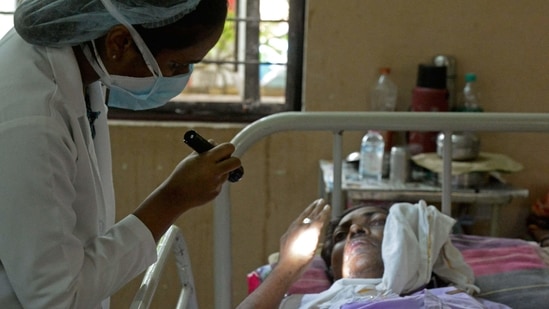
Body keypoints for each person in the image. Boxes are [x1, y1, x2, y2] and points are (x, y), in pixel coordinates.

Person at [0, 0, 242, 307]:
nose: (179, 79)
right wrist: (173, 198)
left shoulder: (75, 59)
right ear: (120, 42)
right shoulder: (32, 122)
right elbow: (58, 297)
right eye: (176, 66)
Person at [281, 201, 511, 308]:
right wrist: (285, 268)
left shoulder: (459, 303)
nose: (354, 230)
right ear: (331, 268)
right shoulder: (301, 305)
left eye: (379, 222)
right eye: (340, 235)